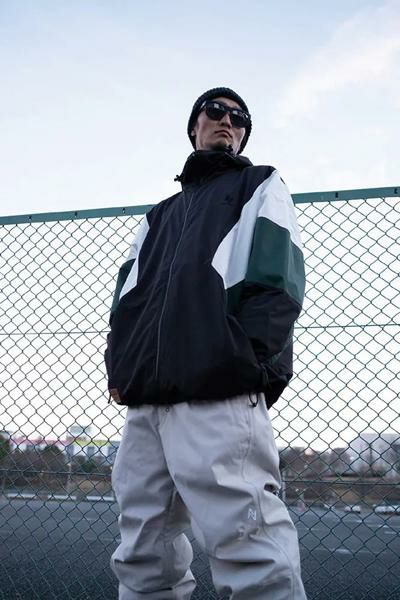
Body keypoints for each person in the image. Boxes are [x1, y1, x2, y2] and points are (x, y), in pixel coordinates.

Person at [105, 87, 307, 600]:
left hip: (218, 388)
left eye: (240, 118)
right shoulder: (158, 215)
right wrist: (120, 370)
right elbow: (125, 301)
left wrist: (240, 361)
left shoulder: (259, 184)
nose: (228, 121)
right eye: (215, 111)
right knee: (142, 549)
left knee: (248, 545)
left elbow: (278, 284)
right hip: (146, 401)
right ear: (194, 125)